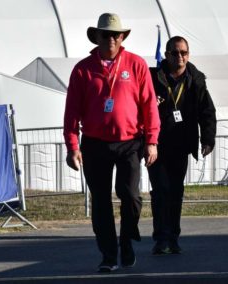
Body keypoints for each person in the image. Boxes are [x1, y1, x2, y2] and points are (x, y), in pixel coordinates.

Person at [63, 13, 160, 272]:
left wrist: (152, 141)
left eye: (116, 34)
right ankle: (108, 254)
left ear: (122, 37)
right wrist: (72, 146)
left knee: (130, 196)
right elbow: (72, 110)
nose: (112, 39)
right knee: (101, 202)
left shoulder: (136, 64)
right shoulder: (83, 69)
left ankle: (127, 240)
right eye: (106, 34)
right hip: (95, 144)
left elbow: (150, 104)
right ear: (96, 37)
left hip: (130, 142)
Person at [148, 36, 217, 254]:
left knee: (176, 192)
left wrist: (207, 138)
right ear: (166, 55)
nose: (180, 57)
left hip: (181, 145)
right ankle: (160, 237)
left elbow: (207, 111)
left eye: (184, 53)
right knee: (160, 191)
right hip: (156, 145)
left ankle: (173, 237)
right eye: (175, 53)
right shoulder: (152, 78)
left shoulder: (195, 80)